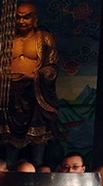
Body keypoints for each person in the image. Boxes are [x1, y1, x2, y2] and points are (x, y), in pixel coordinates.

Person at [1, 2, 59, 166]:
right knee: (9, 146)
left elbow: (52, 66)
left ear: (35, 18)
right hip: (10, 94)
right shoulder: (6, 39)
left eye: (26, 17)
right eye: (18, 17)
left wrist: (35, 75)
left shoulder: (44, 38)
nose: (21, 21)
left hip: (35, 93)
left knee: (37, 147)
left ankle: (37, 172)